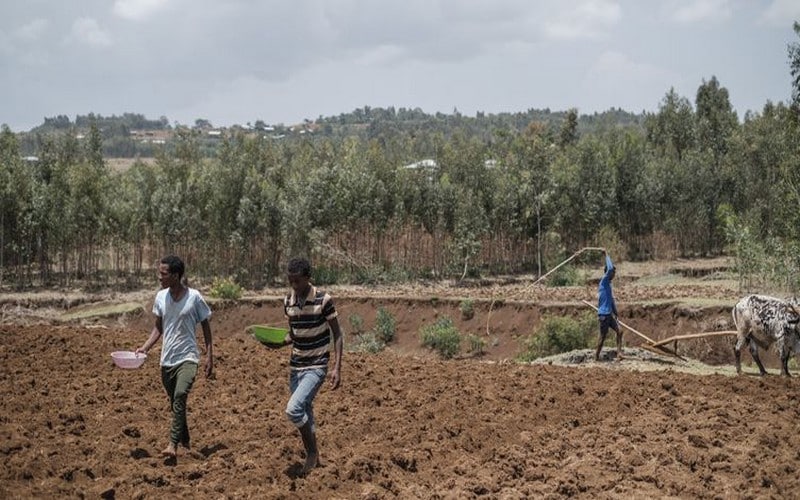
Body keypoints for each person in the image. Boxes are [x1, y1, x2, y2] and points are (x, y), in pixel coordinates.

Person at [270, 257, 343, 475]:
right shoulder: (288, 301)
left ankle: (311, 452)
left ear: (308, 278)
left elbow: (337, 334)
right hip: (296, 366)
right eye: (290, 281)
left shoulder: (323, 300)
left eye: (298, 281)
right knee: (305, 409)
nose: (294, 286)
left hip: (317, 365)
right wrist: (277, 343)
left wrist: (336, 367)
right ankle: (315, 459)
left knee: (293, 409)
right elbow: (294, 334)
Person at [136, 255, 213, 458]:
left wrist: (209, 356)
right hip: (166, 359)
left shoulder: (194, 297)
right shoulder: (161, 297)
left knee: (180, 396)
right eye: (159, 272)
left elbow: (205, 324)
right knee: (176, 403)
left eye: (163, 273)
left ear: (176, 275)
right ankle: (186, 443)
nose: (159, 277)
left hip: (188, 357)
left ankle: (173, 444)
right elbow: (159, 328)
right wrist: (145, 348)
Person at [595, 249, 623, 362]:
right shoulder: (604, 281)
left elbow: (611, 301)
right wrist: (606, 254)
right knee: (602, 337)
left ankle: (619, 353)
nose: (614, 275)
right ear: (608, 273)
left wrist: (615, 313)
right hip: (603, 315)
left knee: (620, 331)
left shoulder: (609, 286)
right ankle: (596, 357)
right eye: (613, 273)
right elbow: (610, 268)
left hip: (609, 314)